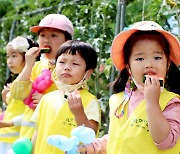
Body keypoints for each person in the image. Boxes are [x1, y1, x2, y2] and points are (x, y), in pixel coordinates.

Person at [78, 21, 180, 154]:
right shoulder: (118, 100)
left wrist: (152, 103)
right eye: (140, 59)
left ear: (167, 66)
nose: (149, 64)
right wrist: (91, 147)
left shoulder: (171, 102)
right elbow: (119, 137)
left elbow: (166, 141)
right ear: (128, 68)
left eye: (157, 57)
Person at [10, 14, 74, 140]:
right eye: (42, 35)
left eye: (53, 35)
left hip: (53, 137)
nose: (46, 40)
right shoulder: (36, 66)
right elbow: (17, 94)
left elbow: (77, 100)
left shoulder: (71, 70)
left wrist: (46, 100)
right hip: (27, 137)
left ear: (67, 42)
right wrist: (28, 65)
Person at [31, 40, 101, 154]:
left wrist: (79, 113)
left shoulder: (89, 100)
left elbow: (91, 135)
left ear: (87, 73)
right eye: (62, 62)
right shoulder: (46, 99)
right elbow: (37, 133)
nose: (67, 67)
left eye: (75, 64)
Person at [0, 36, 38, 154]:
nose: (9, 61)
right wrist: (5, 97)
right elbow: (13, 108)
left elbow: (28, 112)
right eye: (8, 56)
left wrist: (7, 123)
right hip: (5, 136)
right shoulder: (15, 82)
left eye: (14, 56)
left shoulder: (31, 82)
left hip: (18, 140)